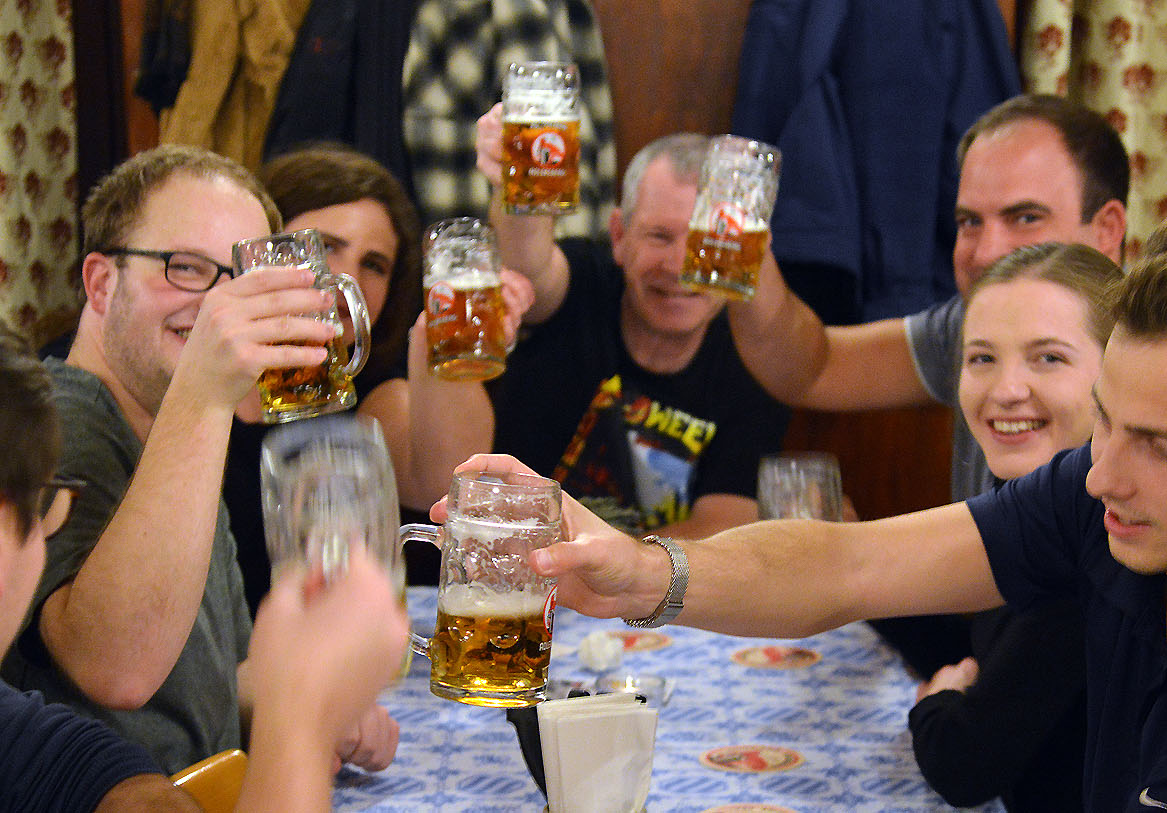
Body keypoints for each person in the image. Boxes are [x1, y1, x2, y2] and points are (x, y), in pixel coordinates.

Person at [454, 206, 1167, 812]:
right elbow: (850, 562)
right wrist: (640, 569)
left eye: (1165, 447)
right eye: (1109, 420)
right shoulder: (1111, 492)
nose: (1102, 475)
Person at [0, 144, 400, 775]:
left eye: (241, 280)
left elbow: (220, 678)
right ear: (101, 283)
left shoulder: (180, 425)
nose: (221, 306)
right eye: (185, 267)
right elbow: (118, 671)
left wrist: (314, 702)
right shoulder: (53, 422)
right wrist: (207, 393)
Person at [0, 332, 409, 812]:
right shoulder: (79, 417)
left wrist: (297, 686)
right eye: (44, 502)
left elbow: (92, 773)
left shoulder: (16, 727)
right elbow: (118, 674)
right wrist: (298, 723)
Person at [730, 93, 1129, 504]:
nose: (987, 252)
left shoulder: (1155, 347)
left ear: (1108, 230)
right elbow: (814, 370)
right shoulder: (972, 318)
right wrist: (740, 248)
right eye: (970, 222)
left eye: (1026, 218)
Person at [224, 142, 531, 607]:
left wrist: (438, 334)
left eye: (373, 265)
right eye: (326, 247)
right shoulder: (189, 367)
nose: (346, 279)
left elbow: (445, 480)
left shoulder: (370, 388)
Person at [474, 104, 789, 538]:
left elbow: (722, 531)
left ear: (744, 251)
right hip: (512, 564)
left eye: (706, 239)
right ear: (619, 236)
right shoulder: (585, 280)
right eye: (660, 236)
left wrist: (595, 560)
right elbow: (526, 267)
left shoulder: (757, 356)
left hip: (640, 583)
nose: (679, 267)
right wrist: (515, 180)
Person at [906, 241, 1120, 812]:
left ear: (1120, 372)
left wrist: (934, 705)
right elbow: (996, 647)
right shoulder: (1029, 505)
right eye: (982, 359)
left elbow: (963, 763)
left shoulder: (1105, 536)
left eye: (1047, 358)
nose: (1005, 390)